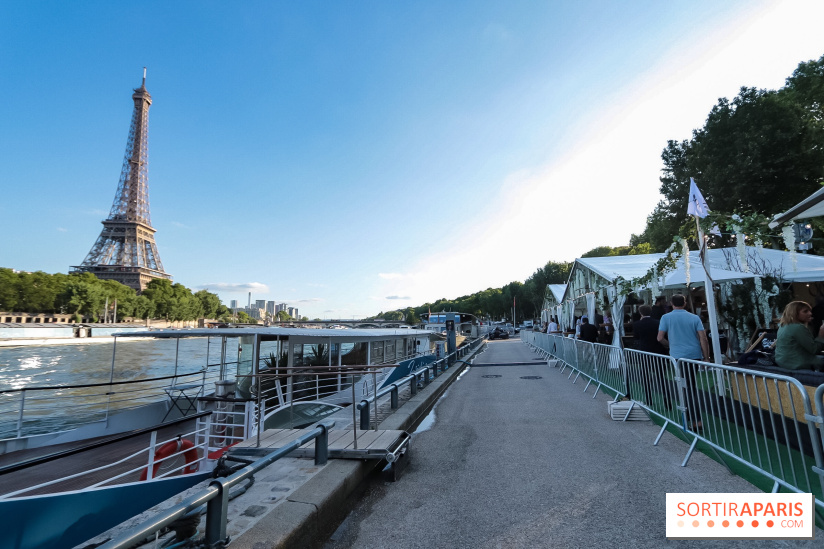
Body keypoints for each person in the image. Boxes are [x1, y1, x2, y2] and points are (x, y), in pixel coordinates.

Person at [657, 294, 709, 431]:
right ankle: (694, 419)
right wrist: (706, 357)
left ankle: (694, 419)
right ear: (685, 303)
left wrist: (671, 345)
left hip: (677, 356)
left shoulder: (666, 317)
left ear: (671, 304)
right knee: (690, 385)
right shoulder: (694, 317)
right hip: (694, 354)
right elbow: (703, 338)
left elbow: (660, 338)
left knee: (687, 388)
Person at [774, 301, 824, 371]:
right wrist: (821, 335)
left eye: (810, 311)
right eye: (805, 311)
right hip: (796, 363)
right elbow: (814, 349)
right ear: (794, 313)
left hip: (784, 362)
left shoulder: (784, 325)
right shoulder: (798, 327)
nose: (810, 313)